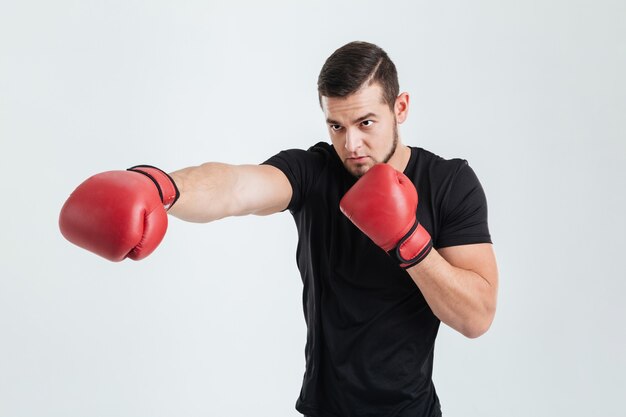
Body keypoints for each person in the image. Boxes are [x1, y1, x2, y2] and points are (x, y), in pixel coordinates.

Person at [59, 41, 498, 417]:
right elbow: (236, 186)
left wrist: (409, 243)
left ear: (399, 107)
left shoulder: (449, 183)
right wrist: (162, 187)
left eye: (366, 123)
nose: (351, 145)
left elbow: (477, 316)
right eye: (336, 126)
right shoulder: (315, 170)